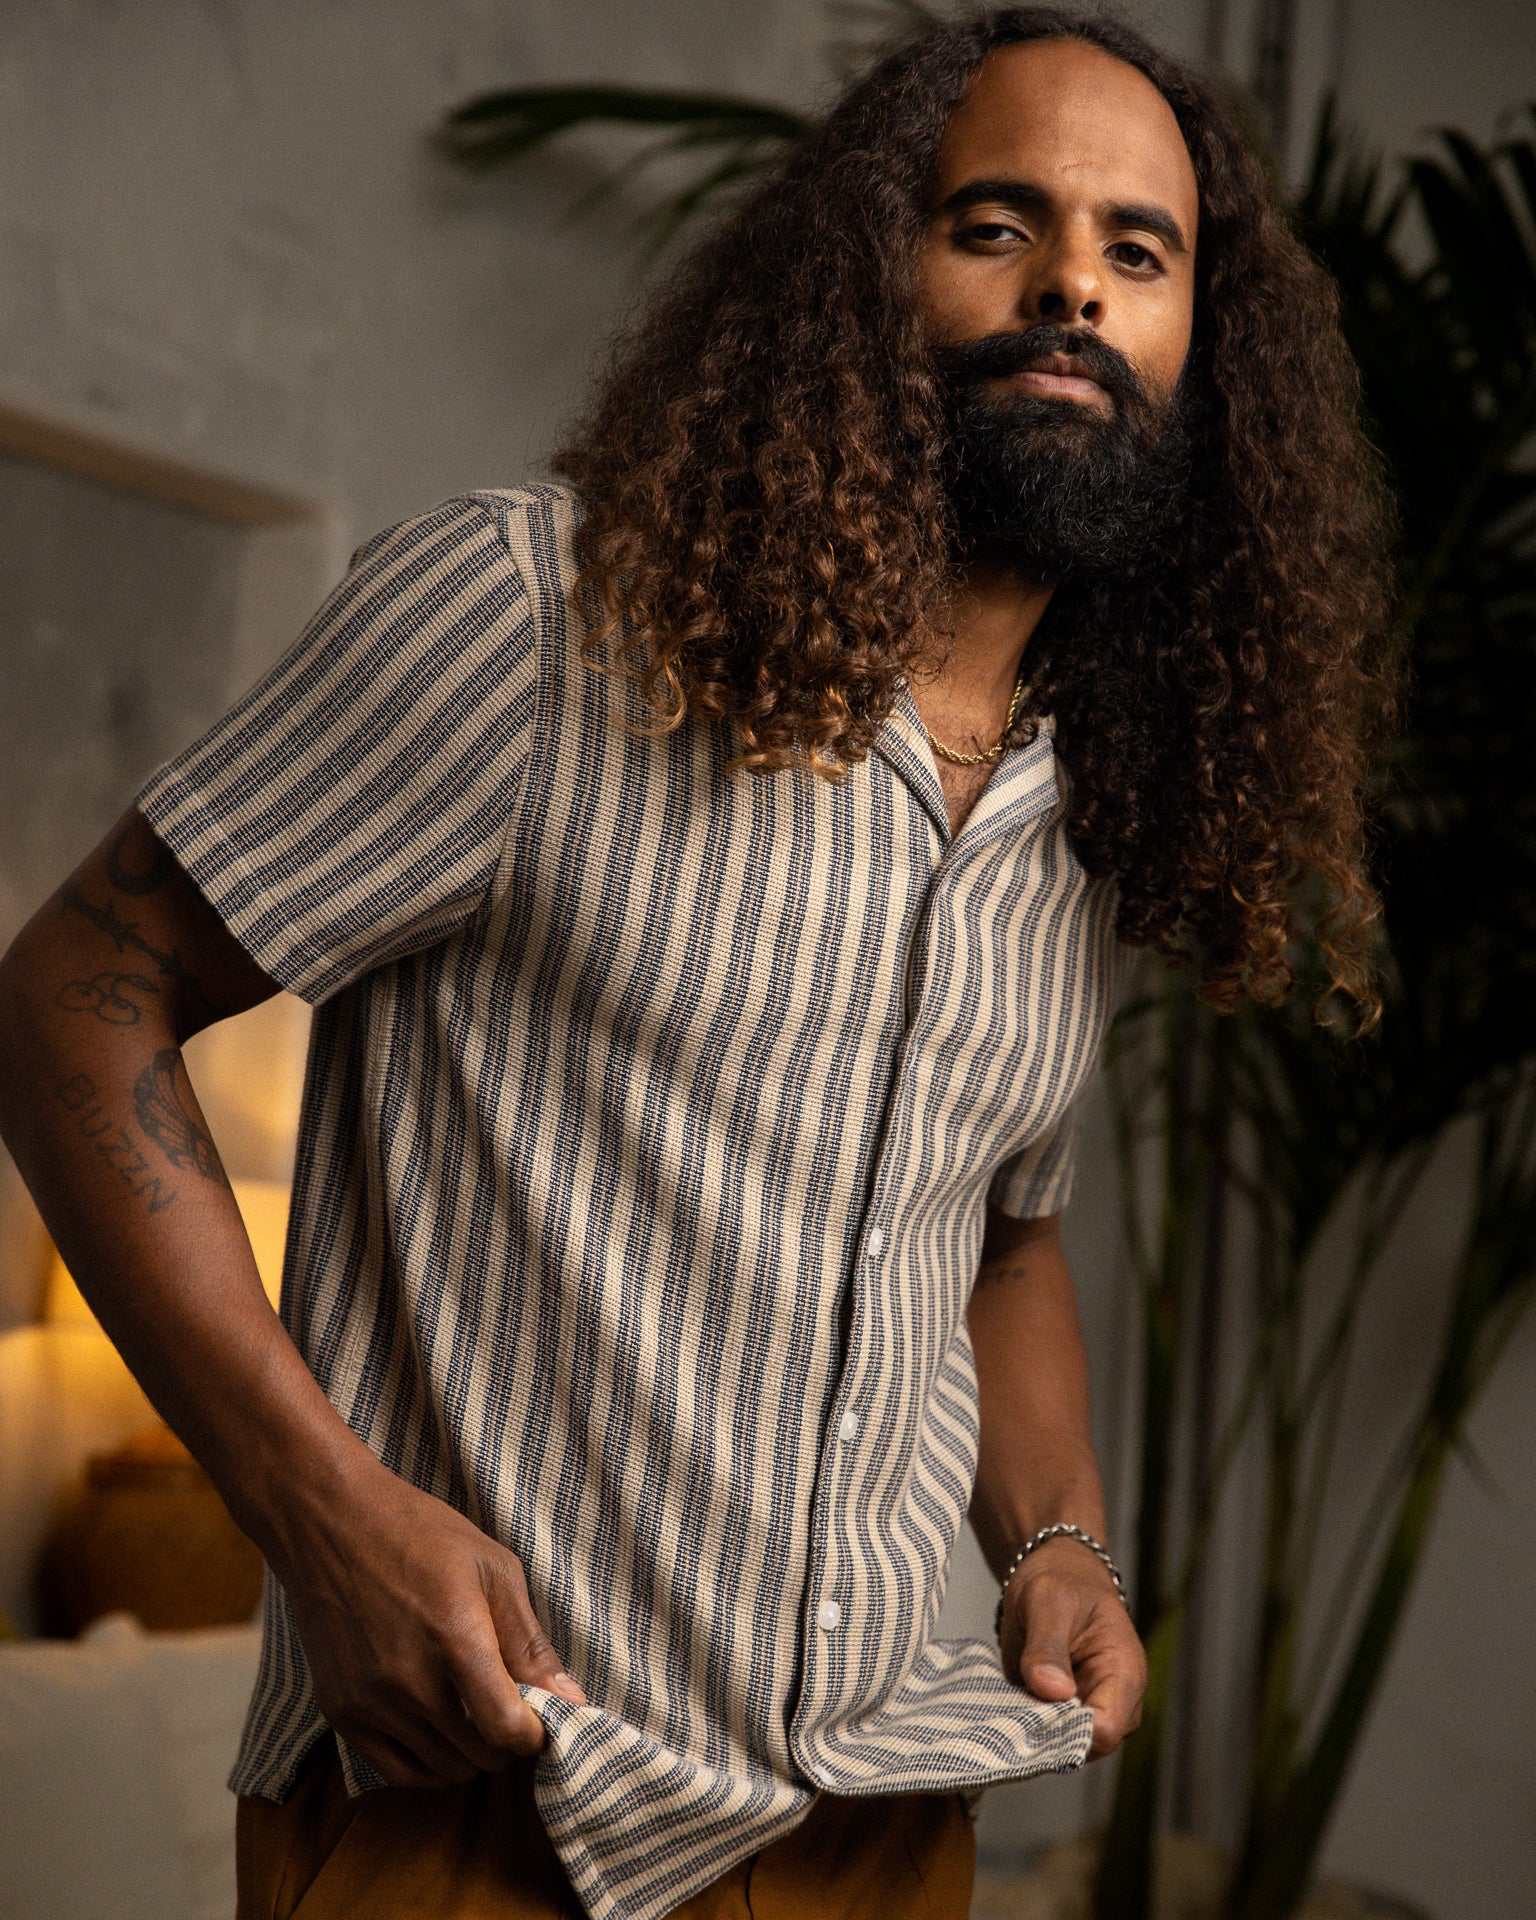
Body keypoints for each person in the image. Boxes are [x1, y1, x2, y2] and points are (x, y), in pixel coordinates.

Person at [0, 8, 1392, 1918]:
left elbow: (1000, 1235)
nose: (1074, 280)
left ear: (1197, 356)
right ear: (861, 276)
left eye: (1138, 252)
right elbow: (77, 994)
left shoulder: (1084, 810)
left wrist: (1053, 1540)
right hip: (488, 1800)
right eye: (997, 223)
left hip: (896, 1826)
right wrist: (314, 1514)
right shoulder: (534, 622)